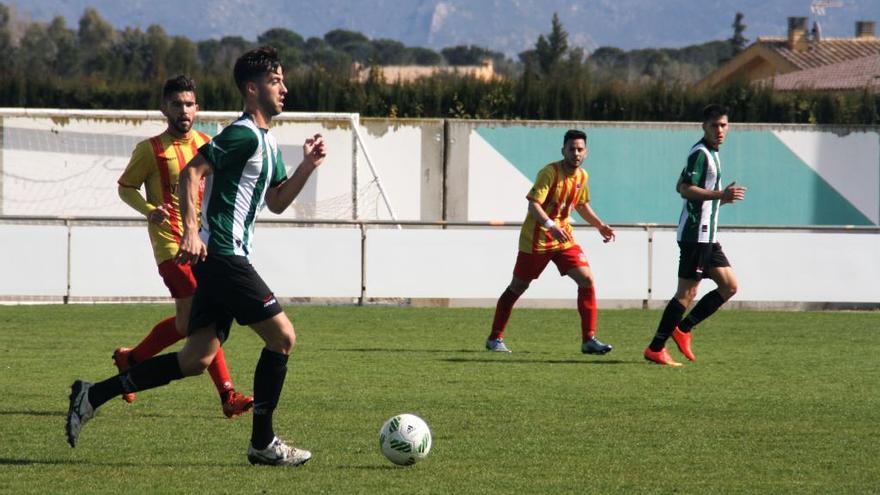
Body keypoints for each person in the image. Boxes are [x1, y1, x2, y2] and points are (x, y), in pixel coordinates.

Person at [66, 46, 327, 468]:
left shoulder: (268, 142)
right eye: (276, 81)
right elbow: (192, 172)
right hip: (224, 256)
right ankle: (263, 442)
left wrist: (307, 167)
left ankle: (93, 395)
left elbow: (277, 201)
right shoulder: (241, 133)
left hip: (222, 260)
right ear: (252, 88)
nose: (284, 88)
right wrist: (191, 231)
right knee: (283, 338)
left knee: (195, 359)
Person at [115, 74, 253, 418]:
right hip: (171, 247)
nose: (183, 110)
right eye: (176, 104)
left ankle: (130, 360)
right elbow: (125, 187)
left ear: (198, 108)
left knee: (185, 322)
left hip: (203, 245)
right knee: (201, 320)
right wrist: (151, 211)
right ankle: (227, 394)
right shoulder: (150, 149)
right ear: (164, 108)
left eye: (189, 104)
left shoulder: (207, 143)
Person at [486, 129, 616, 354]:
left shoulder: (582, 176)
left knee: (586, 279)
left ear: (586, 152)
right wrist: (550, 227)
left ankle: (589, 340)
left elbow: (581, 205)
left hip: (564, 239)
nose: (576, 153)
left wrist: (599, 225)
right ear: (563, 150)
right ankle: (495, 338)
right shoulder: (549, 172)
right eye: (571, 149)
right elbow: (533, 204)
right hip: (536, 240)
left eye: (580, 149)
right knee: (518, 286)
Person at [643, 103, 746, 367]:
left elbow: (680, 183)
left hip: (708, 236)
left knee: (729, 286)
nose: (720, 130)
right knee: (686, 293)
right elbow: (685, 189)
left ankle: (684, 329)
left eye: (724, 125)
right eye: (714, 125)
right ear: (704, 126)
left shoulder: (712, 153)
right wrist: (720, 195)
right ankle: (656, 347)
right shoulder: (700, 153)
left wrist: (719, 199)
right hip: (695, 235)